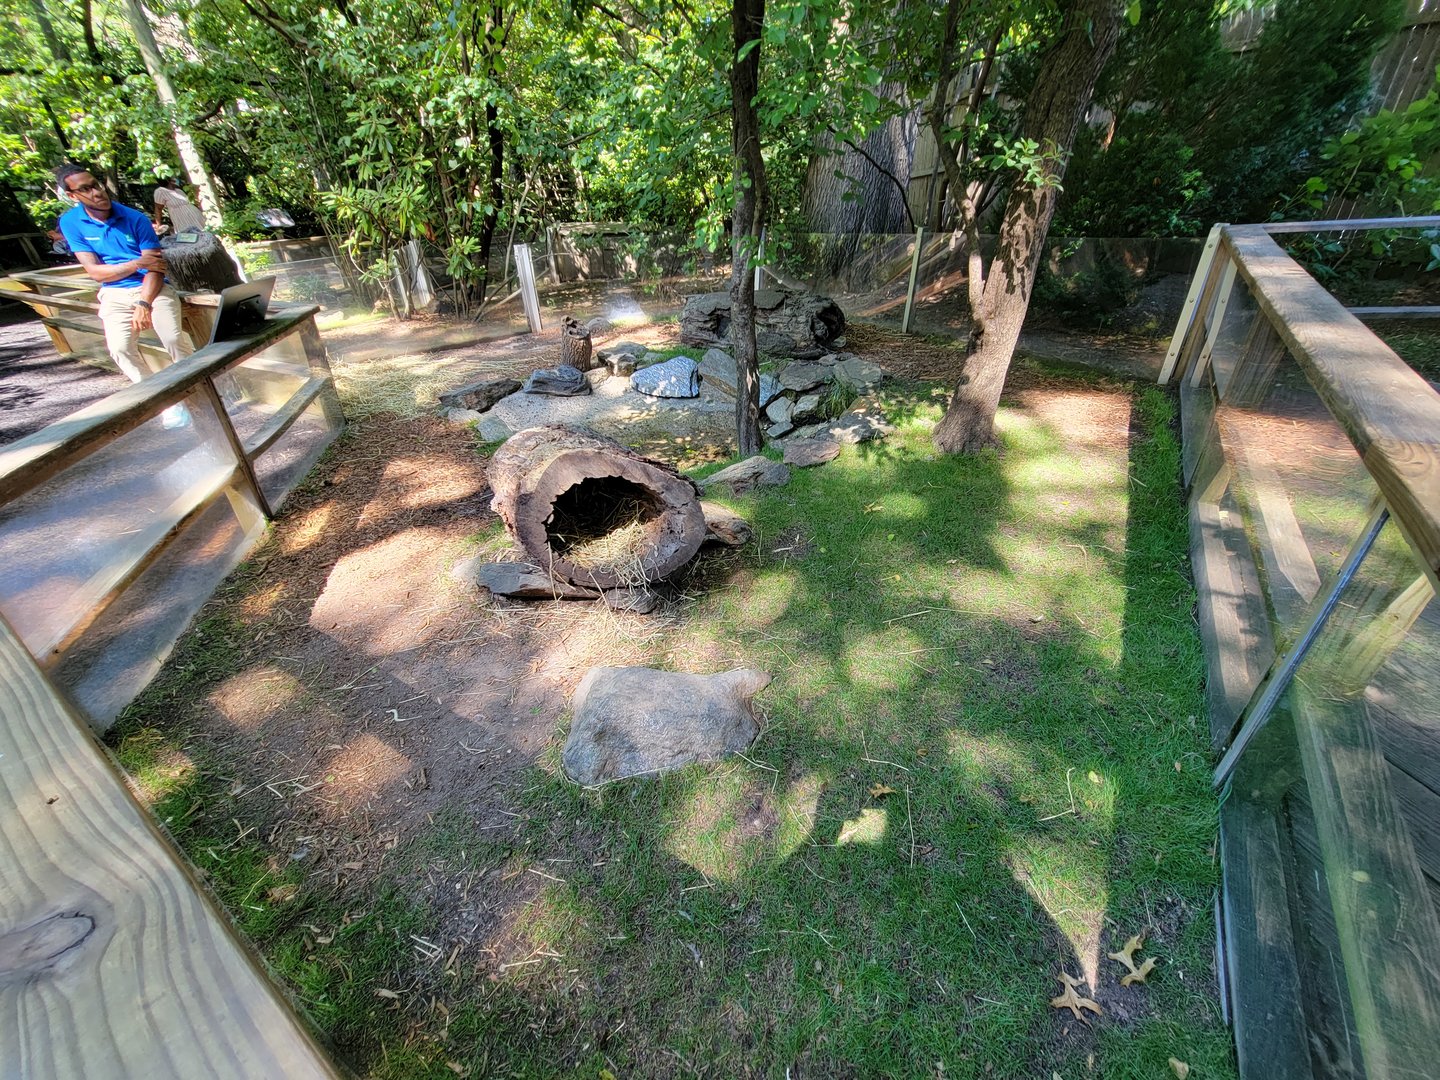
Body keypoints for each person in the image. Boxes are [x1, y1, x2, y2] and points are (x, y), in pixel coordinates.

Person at [55, 164, 195, 424]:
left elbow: (155, 267)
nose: (96, 192)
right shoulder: (71, 223)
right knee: (119, 349)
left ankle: (196, 391)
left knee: (174, 339)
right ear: (73, 196)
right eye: (85, 189)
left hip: (150, 287)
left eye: (96, 184)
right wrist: (135, 264)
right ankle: (164, 402)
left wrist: (144, 302)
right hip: (113, 292)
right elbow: (95, 273)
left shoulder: (135, 218)